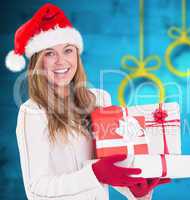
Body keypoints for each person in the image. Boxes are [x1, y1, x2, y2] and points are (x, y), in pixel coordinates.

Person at [6, 3, 170, 200]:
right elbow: (36, 188)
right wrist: (95, 173)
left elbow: (112, 165)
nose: (61, 61)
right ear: (38, 61)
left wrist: (137, 189)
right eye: (50, 53)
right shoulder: (32, 112)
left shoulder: (99, 99)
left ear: (77, 54)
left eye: (68, 50)